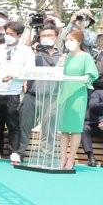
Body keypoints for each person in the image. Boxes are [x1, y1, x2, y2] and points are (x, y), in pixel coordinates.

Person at [0, 20, 32, 164]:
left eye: (12, 34)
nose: (8, 36)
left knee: (13, 124)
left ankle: (15, 153)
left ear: (20, 35)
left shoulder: (26, 51)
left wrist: (16, 75)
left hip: (13, 92)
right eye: (6, 33)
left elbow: (30, 72)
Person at [56, 29, 98, 169]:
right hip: (64, 94)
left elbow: (92, 75)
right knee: (63, 129)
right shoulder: (65, 57)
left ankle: (71, 159)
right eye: (67, 40)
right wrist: (60, 63)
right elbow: (55, 74)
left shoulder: (85, 57)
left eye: (71, 40)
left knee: (74, 129)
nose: (68, 42)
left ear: (79, 41)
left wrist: (76, 79)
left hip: (78, 94)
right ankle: (62, 158)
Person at [19, 24, 62, 160]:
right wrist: (34, 52)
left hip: (51, 97)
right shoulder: (32, 53)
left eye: (49, 35)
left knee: (48, 128)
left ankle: (46, 155)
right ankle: (19, 152)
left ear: (56, 37)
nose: (46, 38)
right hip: (32, 94)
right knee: (24, 125)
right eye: (43, 35)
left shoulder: (62, 55)